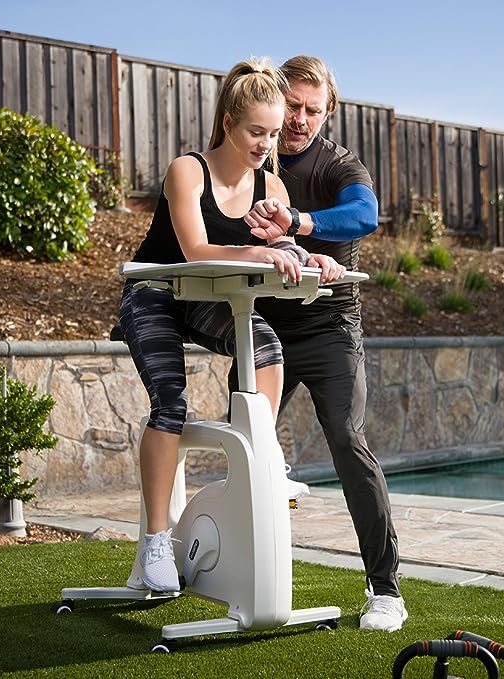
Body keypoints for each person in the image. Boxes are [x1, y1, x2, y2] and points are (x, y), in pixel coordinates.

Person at [118, 57, 343, 594]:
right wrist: (260, 250)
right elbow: (195, 250)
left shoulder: (273, 185)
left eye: (272, 132)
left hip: (204, 301)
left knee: (267, 346)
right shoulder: (188, 170)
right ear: (228, 125)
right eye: (256, 131)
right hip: (154, 295)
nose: (267, 143)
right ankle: (154, 543)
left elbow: (283, 248)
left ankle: (258, 458)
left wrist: (312, 260)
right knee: (169, 404)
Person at [240, 55, 408, 631]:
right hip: (268, 330)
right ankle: (228, 571)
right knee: (244, 442)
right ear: (274, 99)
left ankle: (385, 591)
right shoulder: (252, 158)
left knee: (346, 438)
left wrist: (300, 223)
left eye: (313, 110)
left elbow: (365, 215)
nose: (299, 119)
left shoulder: (340, 164)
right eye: (292, 105)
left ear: (328, 112)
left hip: (332, 328)